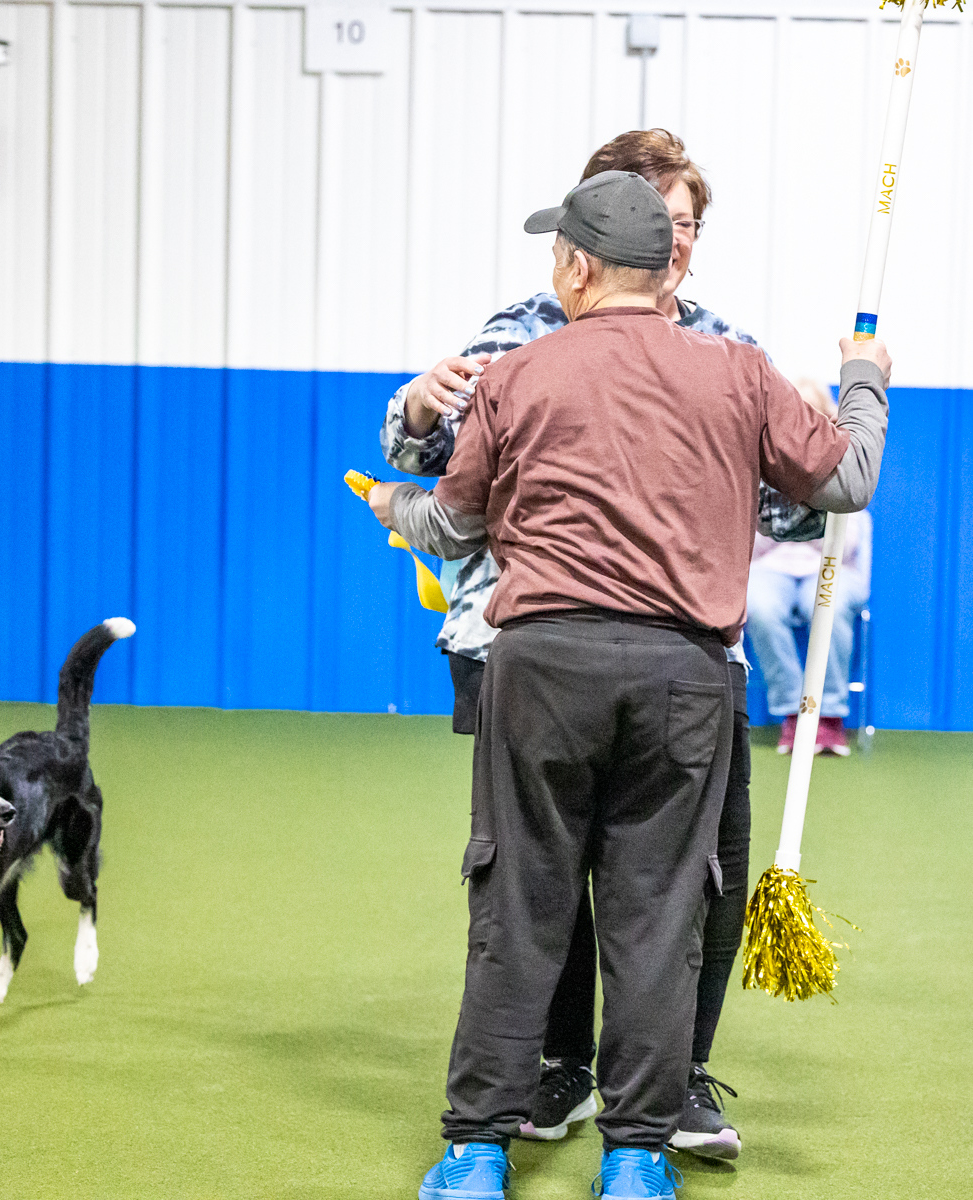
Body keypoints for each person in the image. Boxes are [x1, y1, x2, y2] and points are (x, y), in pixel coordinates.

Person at [367, 170, 889, 1200]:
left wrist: (393, 504)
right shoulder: (738, 369)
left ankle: (476, 1151)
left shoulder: (519, 372)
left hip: (540, 671)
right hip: (682, 679)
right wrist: (864, 377)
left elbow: (453, 525)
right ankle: (637, 1158)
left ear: (574, 266)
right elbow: (845, 480)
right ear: (665, 266)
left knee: (519, 905)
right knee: (657, 916)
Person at [747, 380, 874, 756]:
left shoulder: (842, 462)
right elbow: (753, 541)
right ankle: (794, 712)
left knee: (826, 604)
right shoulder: (766, 466)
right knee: (759, 605)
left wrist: (798, 515)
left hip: (833, 568)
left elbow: (845, 543)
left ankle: (828, 715)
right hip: (772, 568)